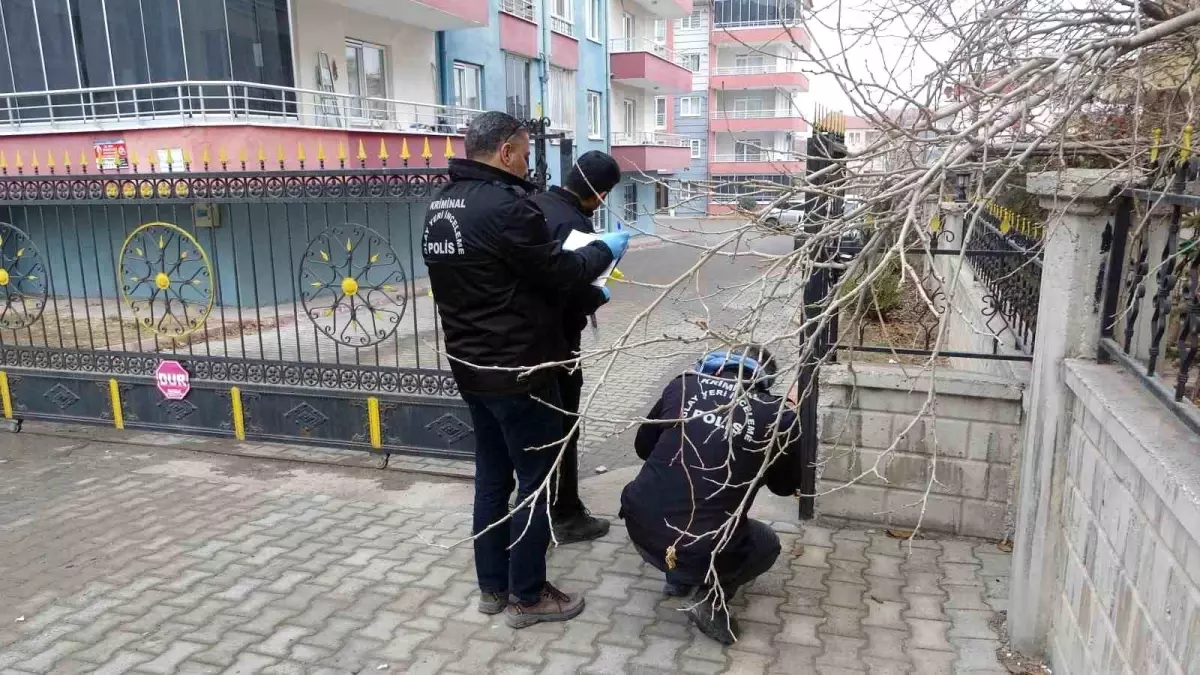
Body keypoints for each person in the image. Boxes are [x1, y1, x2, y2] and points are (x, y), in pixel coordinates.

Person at [422, 111, 632, 629]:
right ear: (507, 151)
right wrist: (603, 251)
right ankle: (528, 595)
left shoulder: (439, 208)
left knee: (492, 479)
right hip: (521, 371)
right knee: (535, 484)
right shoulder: (507, 207)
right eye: (525, 151)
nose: (528, 161)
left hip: (471, 368)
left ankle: (492, 588)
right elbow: (558, 272)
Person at [620, 345, 801, 645]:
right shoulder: (777, 415)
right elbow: (785, 487)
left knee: (683, 507)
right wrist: (787, 423)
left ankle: (679, 578)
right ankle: (709, 597)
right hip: (700, 544)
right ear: (765, 380)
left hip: (639, 524)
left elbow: (643, 447)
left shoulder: (683, 384)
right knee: (766, 545)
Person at [530, 151, 624, 545]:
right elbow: (568, 289)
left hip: (521, 343)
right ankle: (564, 514)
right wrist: (598, 296)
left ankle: (538, 509)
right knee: (564, 428)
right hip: (558, 343)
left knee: (536, 431)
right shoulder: (573, 223)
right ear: (600, 195)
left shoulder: (533, 205)